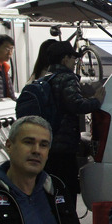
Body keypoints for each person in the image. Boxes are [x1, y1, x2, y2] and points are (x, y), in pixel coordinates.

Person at [43, 41, 106, 205]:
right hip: (64, 145)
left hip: (49, 142)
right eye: (73, 58)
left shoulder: (47, 78)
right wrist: (96, 101)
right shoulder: (67, 78)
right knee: (67, 187)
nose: (75, 62)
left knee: (52, 187)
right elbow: (76, 105)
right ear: (65, 58)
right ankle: (67, 217)